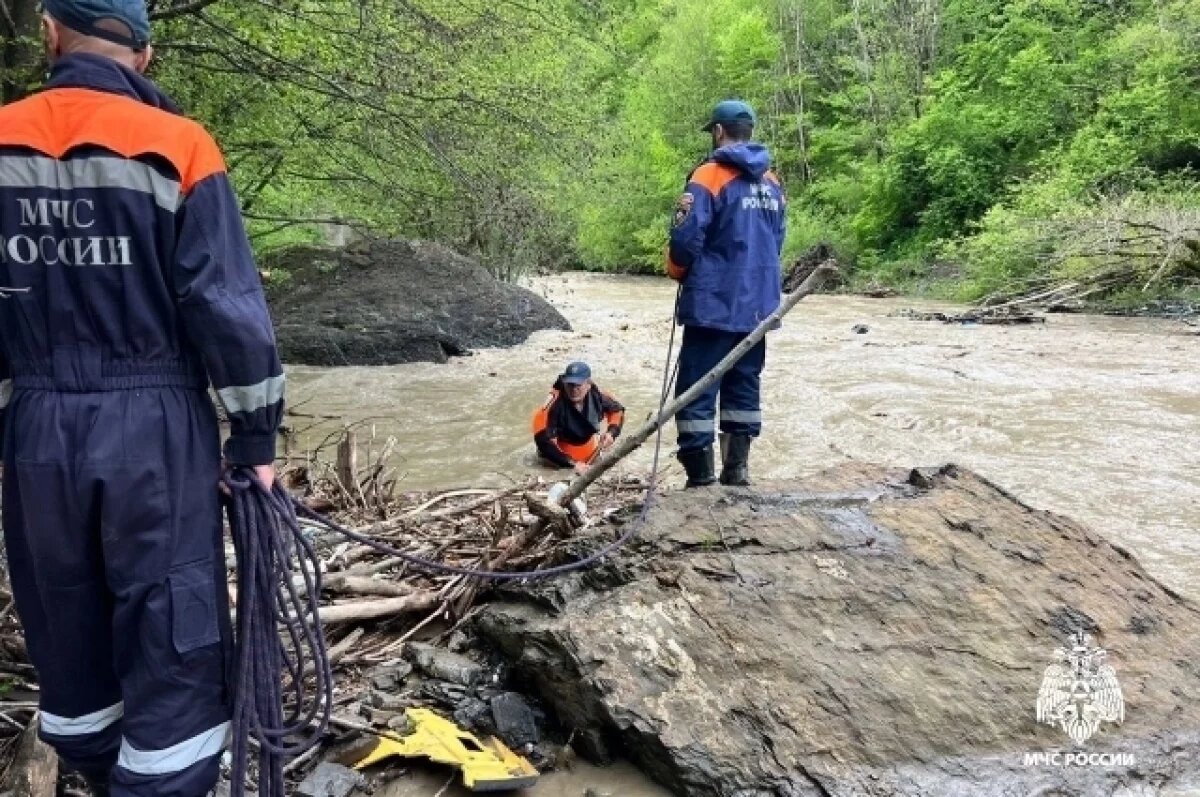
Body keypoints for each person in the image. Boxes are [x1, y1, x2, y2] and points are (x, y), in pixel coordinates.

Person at [0, 2, 284, 795]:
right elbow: (226, 308)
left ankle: (94, 768)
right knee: (171, 629)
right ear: (146, 54)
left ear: (52, 32)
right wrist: (255, 443)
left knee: (65, 621)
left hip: (36, 433)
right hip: (152, 433)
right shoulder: (180, 147)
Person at [666, 99, 785, 487]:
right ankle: (738, 471)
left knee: (697, 387)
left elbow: (685, 240)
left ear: (718, 132)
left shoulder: (708, 176)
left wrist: (678, 270)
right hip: (759, 308)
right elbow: (776, 240)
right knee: (744, 383)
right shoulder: (772, 181)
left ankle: (701, 480)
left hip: (713, 303)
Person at [532, 361, 625, 475]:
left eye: (578, 385)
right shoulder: (553, 403)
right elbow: (543, 441)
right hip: (558, 459)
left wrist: (611, 433)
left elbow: (617, 411)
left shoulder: (598, 396)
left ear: (588, 384)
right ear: (564, 383)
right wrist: (572, 463)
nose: (573, 390)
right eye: (570, 384)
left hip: (590, 450)